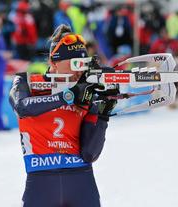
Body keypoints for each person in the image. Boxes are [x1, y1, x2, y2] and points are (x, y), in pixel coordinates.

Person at [9, 24, 116, 206]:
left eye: (82, 64)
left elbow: (90, 153)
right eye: (74, 64)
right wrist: (68, 96)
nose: (78, 71)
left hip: (82, 180)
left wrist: (103, 113)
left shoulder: (85, 91)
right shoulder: (27, 82)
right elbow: (23, 107)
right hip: (41, 183)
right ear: (53, 63)